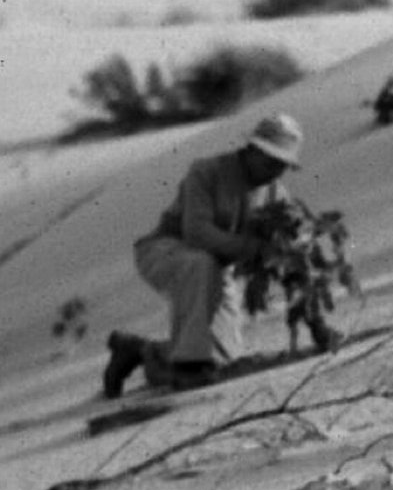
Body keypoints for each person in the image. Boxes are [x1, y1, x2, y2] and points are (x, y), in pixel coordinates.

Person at [102, 112, 312, 398]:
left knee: (223, 358)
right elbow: (196, 234)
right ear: (251, 150)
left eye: (283, 164)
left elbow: (290, 249)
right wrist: (254, 248)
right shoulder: (207, 171)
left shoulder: (276, 195)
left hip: (215, 272)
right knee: (199, 265)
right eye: (270, 160)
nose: (275, 170)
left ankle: (139, 351)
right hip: (166, 252)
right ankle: (188, 368)